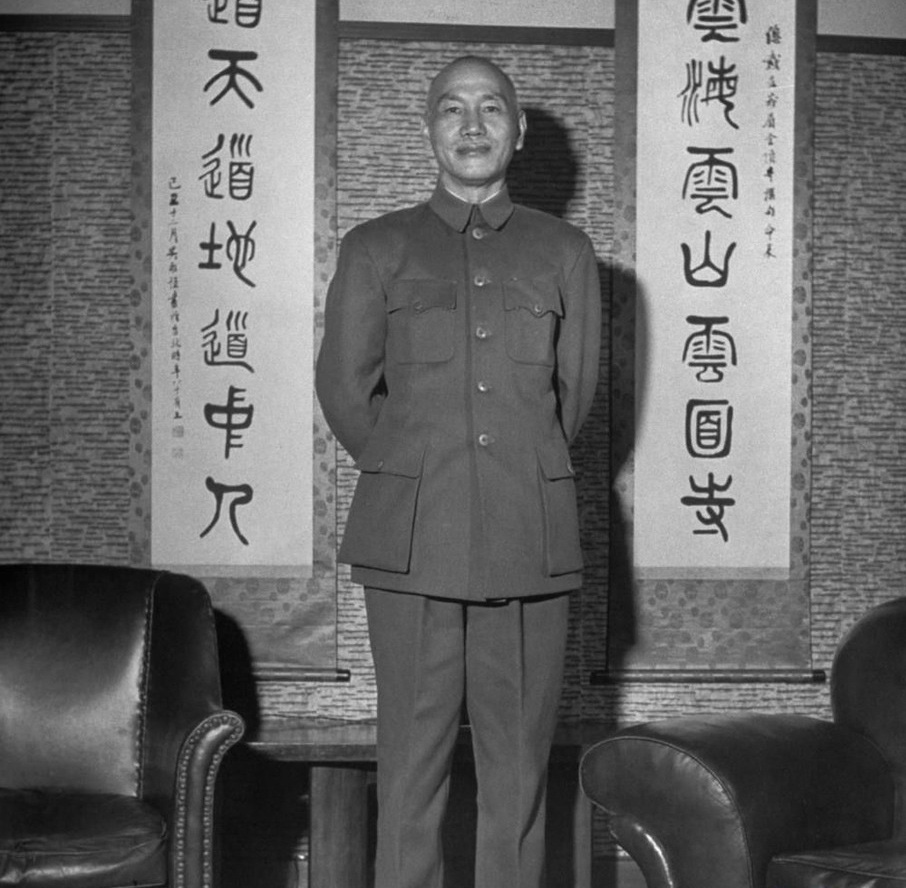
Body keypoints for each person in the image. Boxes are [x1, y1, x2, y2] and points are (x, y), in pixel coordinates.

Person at [315, 55, 601, 888]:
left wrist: (514, 469)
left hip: (528, 538)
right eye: (451, 109)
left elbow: (572, 399)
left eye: (490, 111)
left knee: (516, 773)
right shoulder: (376, 247)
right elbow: (343, 388)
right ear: (429, 130)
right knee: (410, 767)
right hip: (411, 547)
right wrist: (410, 476)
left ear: (516, 134)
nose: (471, 126)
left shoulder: (566, 250)